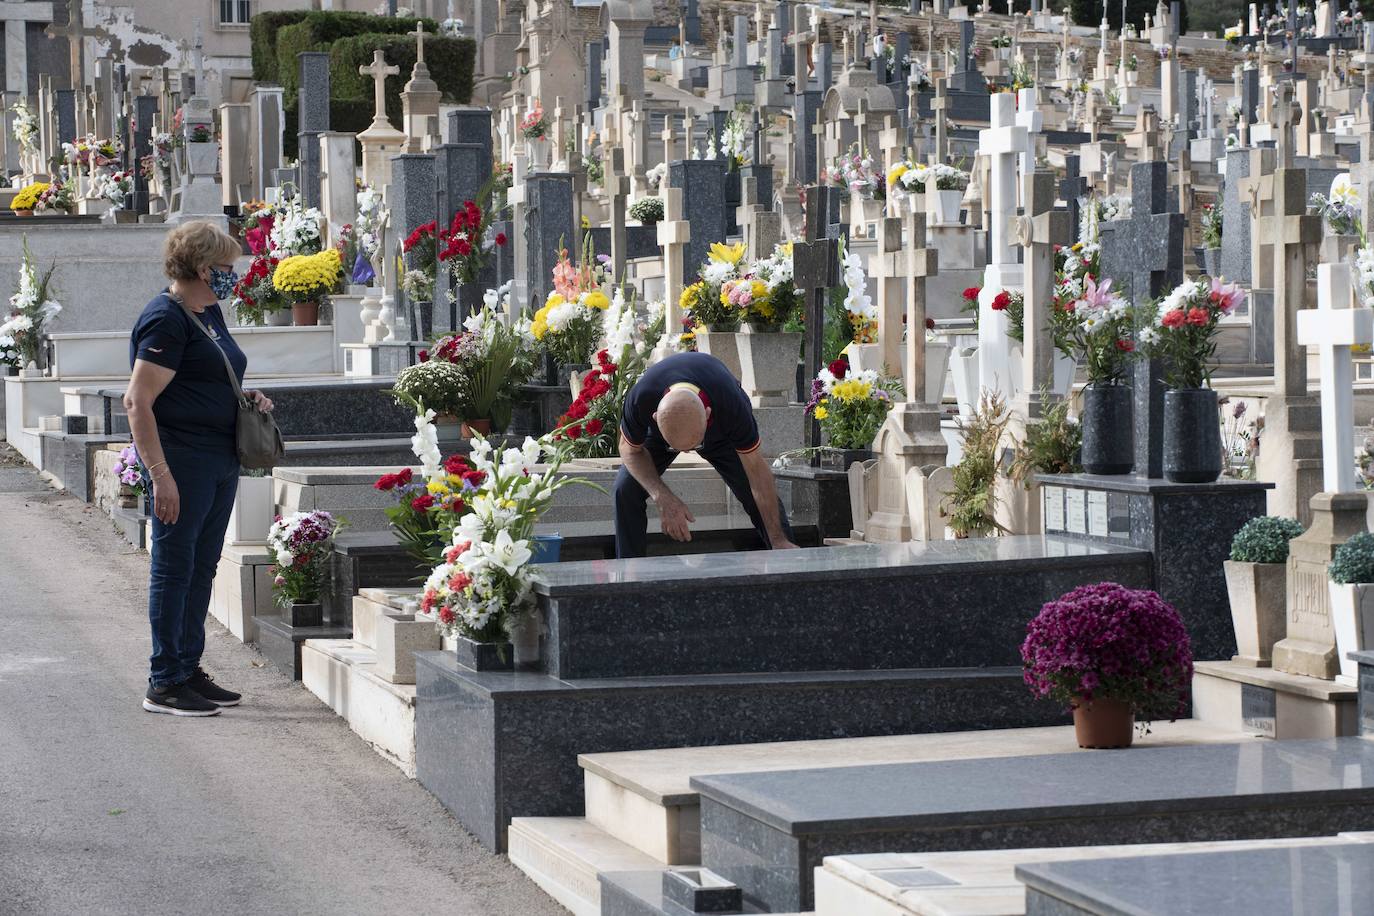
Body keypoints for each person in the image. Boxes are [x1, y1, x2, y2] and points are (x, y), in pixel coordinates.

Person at [126, 221, 274, 717]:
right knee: (174, 570)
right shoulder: (165, 319)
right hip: (182, 461)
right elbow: (136, 401)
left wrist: (245, 397)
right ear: (202, 267)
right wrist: (160, 474)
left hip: (218, 457)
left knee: (200, 568)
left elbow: (211, 374)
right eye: (227, 268)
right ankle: (164, 681)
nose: (234, 276)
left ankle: (187, 668)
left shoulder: (208, 313)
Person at [615, 351, 797, 558]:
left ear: (707, 414)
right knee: (625, 489)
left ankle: (784, 554)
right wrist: (661, 495)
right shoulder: (642, 397)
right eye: (679, 448)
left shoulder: (732, 405)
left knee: (753, 491)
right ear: (655, 417)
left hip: (720, 434)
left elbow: (757, 472)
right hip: (664, 433)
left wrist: (778, 538)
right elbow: (628, 449)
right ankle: (628, 569)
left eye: (694, 445)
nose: (689, 452)